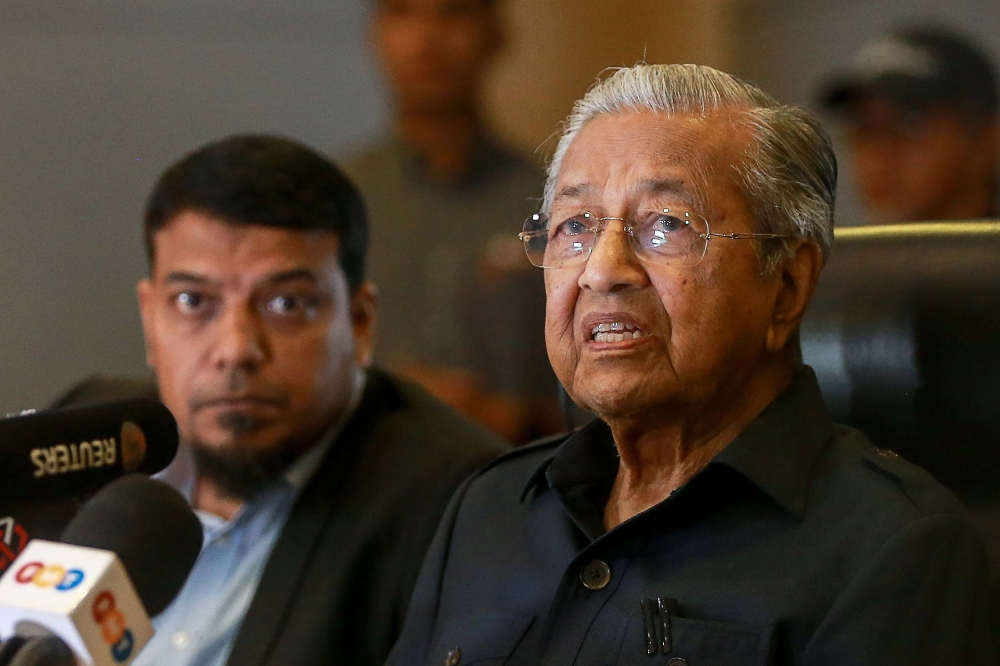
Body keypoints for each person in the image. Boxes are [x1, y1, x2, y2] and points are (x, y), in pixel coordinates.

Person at [386, 64, 996, 664]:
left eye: (667, 225)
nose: (602, 270)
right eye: (576, 226)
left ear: (786, 285)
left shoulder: (893, 551)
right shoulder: (490, 506)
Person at [101, 135, 507, 666]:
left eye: (286, 303)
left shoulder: (461, 509)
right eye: (193, 301)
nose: (236, 350)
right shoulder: (89, 445)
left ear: (360, 323)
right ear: (150, 319)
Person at [343, 0, 556, 441]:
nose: (428, 37)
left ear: (497, 33)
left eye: (454, 11)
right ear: (374, 34)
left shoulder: (561, 201)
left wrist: (518, 418)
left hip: (521, 487)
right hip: (360, 490)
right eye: (403, 11)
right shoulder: (334, 201)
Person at [820, 25, 1000, 223]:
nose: (876, 155)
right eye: (864, 130)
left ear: (987, 138)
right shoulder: (837, 253)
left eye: (911, 124)